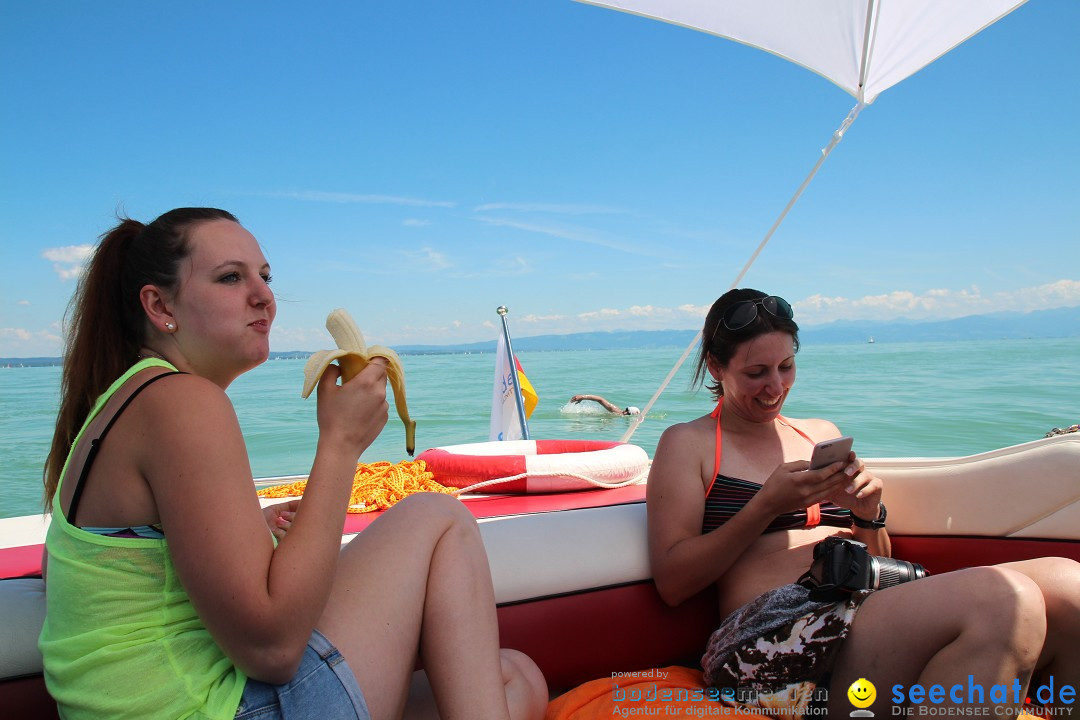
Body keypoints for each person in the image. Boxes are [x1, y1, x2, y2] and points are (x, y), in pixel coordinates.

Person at [38, 208, 548, 720]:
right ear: (159, 303)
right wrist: (340, 445)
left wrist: (246, 529)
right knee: (439, 519)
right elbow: (273, 650)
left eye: (265, 276)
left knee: (516, 678)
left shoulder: (122, 403)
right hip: (204, 708)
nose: (263, 296)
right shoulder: (182, 402)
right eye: (230, 277)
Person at [647, 288, 1079, 716]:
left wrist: (869, 515)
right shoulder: (689, 443)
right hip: (770, 633)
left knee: (1068, 587)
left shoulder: (816, 432)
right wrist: (764, 507)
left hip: (863, 603)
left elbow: (877, 561)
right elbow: (673, 582)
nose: (775, 386)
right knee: (1004, 598)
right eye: (756, 372)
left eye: (786, 366)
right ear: (716, 367)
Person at [569, 394, 640, 416]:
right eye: (626, 410)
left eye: (628, 412)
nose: (625, 412)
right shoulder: (616, 411)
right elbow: (600, 399)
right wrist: (583, 397)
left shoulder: (618, 413)